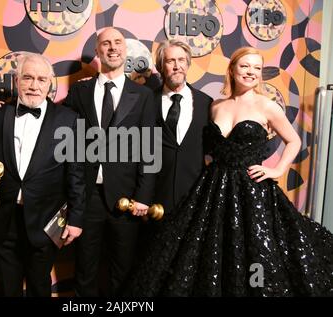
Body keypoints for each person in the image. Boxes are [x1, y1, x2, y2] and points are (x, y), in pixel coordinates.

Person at [126, 46, 333, 296]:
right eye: (245, 66)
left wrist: (278, 169)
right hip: (212, 190)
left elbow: (295, 141)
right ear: (232, 69)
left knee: (255, 252)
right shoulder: (215, 106)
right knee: (206, 253)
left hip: (251, 193)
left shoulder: (267, 106)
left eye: (257, 68)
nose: (251, 72)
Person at [0, 52, 85, 297]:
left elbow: (76, 173)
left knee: (40, 287)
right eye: (27, 78)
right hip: (3, 219)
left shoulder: (68, 120)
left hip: (46, 221)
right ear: (17, 81)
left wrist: (77, 218)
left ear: (49, 83)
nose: (34, 86)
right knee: (7, 289)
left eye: (41, 79)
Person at [63, 27, 156, 296]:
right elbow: (57, 127)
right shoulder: (80, 92)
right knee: (84, 270)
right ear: (97, 51)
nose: (112, 47)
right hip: (87, 197)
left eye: (118, 43)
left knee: (123, 271)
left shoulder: (143, 96)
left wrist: (144, 195)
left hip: (127, 199)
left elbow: (149, 148)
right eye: (106, 43)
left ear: (125, 50)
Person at [153, 39, 212, 215]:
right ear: (161, 66)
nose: (177, 66)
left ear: (188, 64)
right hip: (156, 198)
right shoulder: (147, 100)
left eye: (181, 60)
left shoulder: (206, 103)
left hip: (194, 196)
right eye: (170, 61)